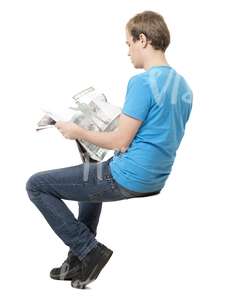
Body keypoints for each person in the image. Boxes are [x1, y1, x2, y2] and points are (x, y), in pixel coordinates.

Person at [26, 10, 193, 289]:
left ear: (142, 40)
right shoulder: (183, 86)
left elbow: (120, 141)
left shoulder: (142, 82)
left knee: (36, 185)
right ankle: (77, 262)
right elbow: (154, 131)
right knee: (90, 168)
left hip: (126, 175)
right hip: (155, 177)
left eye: (128, 44)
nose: (128, 52)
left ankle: (89, 249)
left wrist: (77, 131)